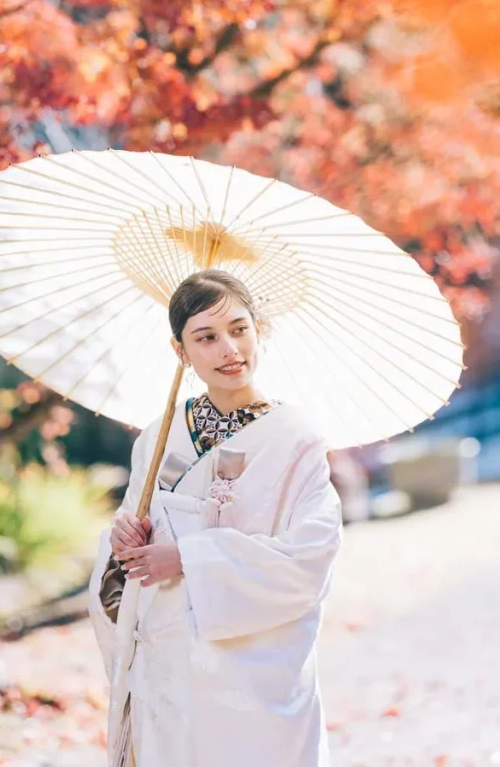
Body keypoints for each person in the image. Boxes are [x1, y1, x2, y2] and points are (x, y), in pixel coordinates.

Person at [88, 269, 343, 767]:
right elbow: (130, 546)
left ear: (259, 329)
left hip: (247, 667)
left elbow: (311, 555)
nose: (229, 349)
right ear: (180, 350)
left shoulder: (297, 439)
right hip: (167, 658)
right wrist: (122, 539)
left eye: (240, 329)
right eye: (206, 337)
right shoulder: (159, 435)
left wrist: (189, 558)